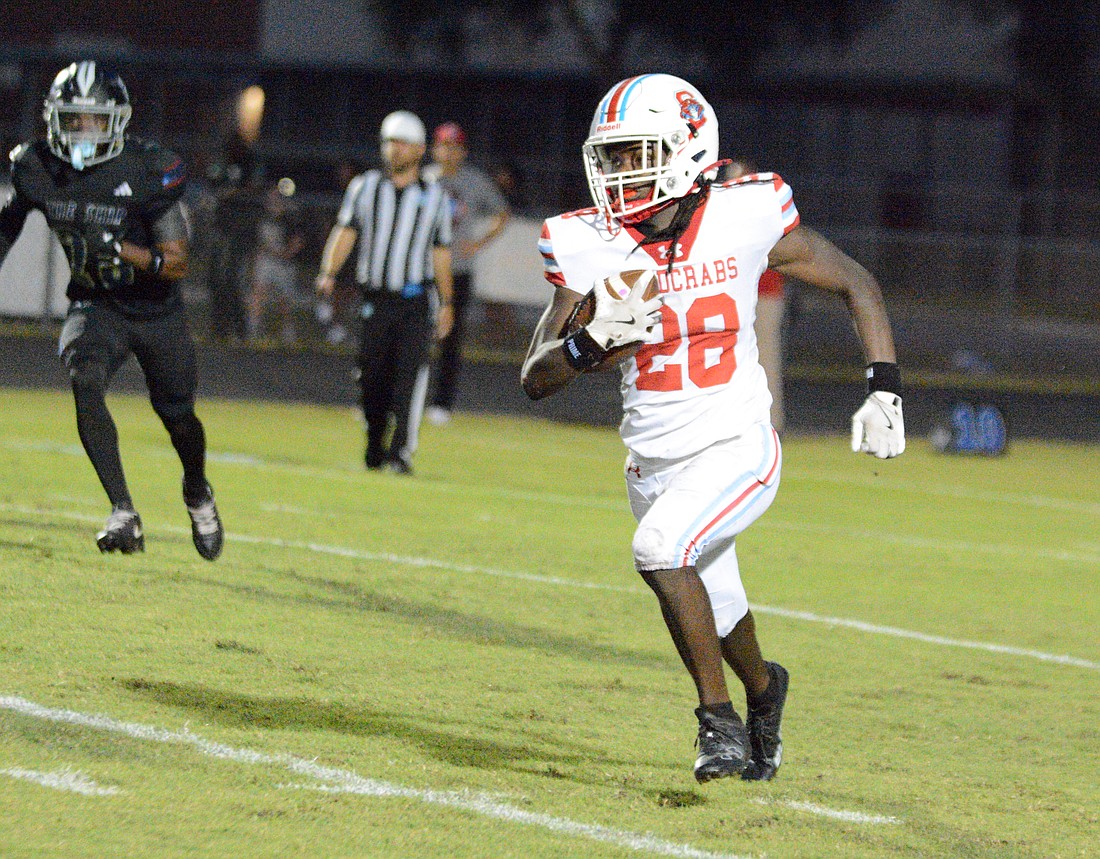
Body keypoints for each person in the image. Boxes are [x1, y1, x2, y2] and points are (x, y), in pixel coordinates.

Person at [521, 74, 904, 783]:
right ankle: (765, 688)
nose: (619, 173)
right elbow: (535, 377)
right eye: (611, 157)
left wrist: (884, 388)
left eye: (636, 154)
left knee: (660, 548)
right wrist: (584, 345)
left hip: (738, 443)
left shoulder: (745, 214)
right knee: (721, 608)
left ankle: (716, 722)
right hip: (653, 462)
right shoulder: (587, 243)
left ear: (688, 148)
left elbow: (857, 281)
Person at [0, 61, 225, 560]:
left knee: (179, 419)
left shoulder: (146, 168)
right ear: (54, 120)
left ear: (117, 121)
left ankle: (196, 490)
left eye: (95, 120)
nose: (83, 131)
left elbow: (176, 263)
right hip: (95, 303)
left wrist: (123, 249)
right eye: (73, 120)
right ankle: (123, 511)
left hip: (156, 312)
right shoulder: (36, 167)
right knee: (84, 378)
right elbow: (8, 225)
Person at [315, 110, 454, 475]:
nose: (395, 149)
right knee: (371, 378)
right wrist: (329, 272)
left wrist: (447, 302)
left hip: (415, 300)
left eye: (403, 143)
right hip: (375, 298)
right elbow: (346, 231)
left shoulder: (435, 196)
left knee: (409, 378)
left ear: (420, 149)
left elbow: (441, 252)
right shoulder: (365, 187)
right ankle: (375, 442)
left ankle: (400, 453)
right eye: (390, 142)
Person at [423, 122, 510, 425]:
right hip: (423, 269)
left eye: (454, 147)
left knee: (450, 339)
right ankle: (405, 397)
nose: (448, 152)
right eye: (443, 146)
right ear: (434, 149)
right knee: (414, 335)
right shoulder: (424, 178)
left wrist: (479, 243)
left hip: (458, 270)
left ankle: (441, 403)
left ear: (463, 151)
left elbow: (502, 213)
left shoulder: (474, 181)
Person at [729, 157, 788, 432]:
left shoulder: (761, 209)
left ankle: (772, 425)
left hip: (765, 294)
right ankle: (740, 423)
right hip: (739, 295)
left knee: (766, 360)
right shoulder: (726, 210)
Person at [247, 178, 305, 343]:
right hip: (266, 259)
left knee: (284, 299)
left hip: (284, 262)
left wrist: (287, 253)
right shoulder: (261, 215)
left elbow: (298, 239)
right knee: (258, 292)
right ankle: (253, 330)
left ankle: (288, 330)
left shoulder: (290, 216)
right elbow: (257, 240)